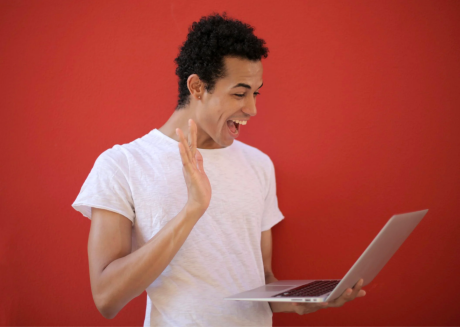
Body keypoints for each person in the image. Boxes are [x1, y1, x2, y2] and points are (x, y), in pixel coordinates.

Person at [72, 12, 365, 327]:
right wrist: (192, 210)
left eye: (256, 93)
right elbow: (106, 298)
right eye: (239, 93)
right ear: (197, 87)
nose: (252, 109)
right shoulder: (123, 165)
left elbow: (262, 279)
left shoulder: (258, 165)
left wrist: (297, 301)